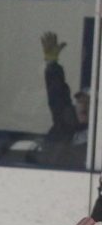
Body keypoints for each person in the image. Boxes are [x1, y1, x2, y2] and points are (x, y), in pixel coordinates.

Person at [39, 31, 88, 170]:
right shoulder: (65, 122)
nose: (84, 106)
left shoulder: (95, 135)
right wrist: (52, 63)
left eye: (89, 102)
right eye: (80, 101)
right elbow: (57, 94)